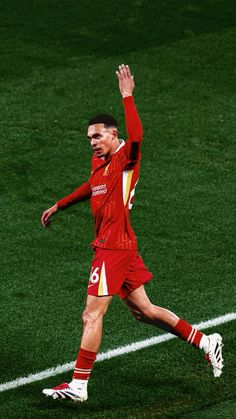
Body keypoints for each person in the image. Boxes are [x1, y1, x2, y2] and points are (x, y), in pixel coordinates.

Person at [41, 64, 223, 402]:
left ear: (113, 134)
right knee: (145, 311)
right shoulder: (100, 163)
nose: (92, 143)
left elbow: (137, 135)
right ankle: (205, 341)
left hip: (114, 247)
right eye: (89, 138)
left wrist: (128, 96)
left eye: (97, 136)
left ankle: (79, 385)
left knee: (90, 314)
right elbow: (92, 186)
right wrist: (60, 205)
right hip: (117, 246)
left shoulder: (126, 158)